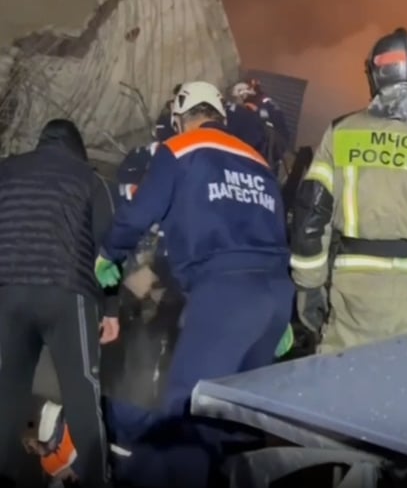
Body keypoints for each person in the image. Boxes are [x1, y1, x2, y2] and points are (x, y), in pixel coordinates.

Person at [91, 81, 293, 486]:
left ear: (182, 115)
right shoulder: (258, 161)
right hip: (273, 297)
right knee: (234, 418)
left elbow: (138, 213)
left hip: (221, 292)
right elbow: (275, 232)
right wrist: (283, 317)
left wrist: (107, 253)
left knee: (182, 417)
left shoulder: (181, 149)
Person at [289, 27, 407, 354]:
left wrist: (308, 288)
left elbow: (311, 217)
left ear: (375, 75)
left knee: (342, 383)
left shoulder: (340, 133)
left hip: (352, 290)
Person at [0, 119, 117, 488]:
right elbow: (107, 250)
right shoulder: (89, 178)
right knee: (82, 390)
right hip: (69, 294)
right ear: (77, 148)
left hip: (9, 292)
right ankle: (98, 480)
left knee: (9, 388)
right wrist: (112, 309)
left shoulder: (6, 170)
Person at [232, 79, 291, 168]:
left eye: (239, 96)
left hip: (266, 158)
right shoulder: (245, 110)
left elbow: (279, 136)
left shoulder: (265, 106)